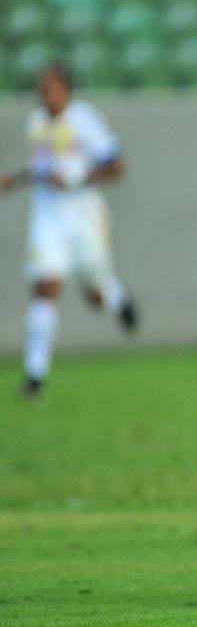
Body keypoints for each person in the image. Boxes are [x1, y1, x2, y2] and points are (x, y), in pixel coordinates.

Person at [0, 63, 138, 399]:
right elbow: (44, 167)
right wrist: (15, 180)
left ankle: (117, 298)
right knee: (45, 285)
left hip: (84, 216)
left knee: (93, 294)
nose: (45, 93)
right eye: (42, 87)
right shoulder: (36, 123)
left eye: (51, 87)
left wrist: (77, 179)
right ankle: (35, 376)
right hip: (48, 216)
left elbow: (116, 166)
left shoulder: (84, 120)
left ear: (67, 89)